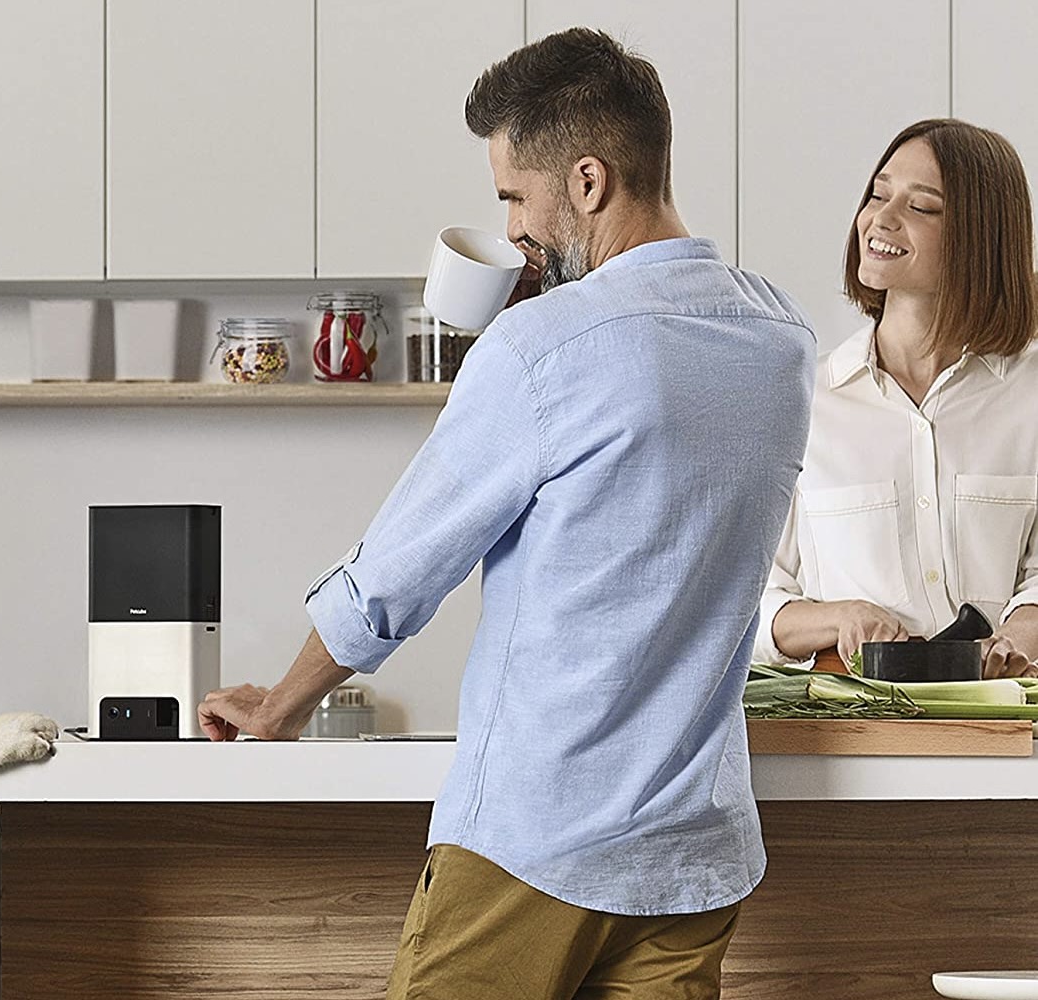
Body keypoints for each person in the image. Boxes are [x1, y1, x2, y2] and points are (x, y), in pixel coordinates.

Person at [198, 28, 815, 999]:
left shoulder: (541, 349)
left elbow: (395, 574)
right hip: (695, 853)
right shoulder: (782, 340)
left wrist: (279, 708)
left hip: (538, 841)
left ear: (588, 181)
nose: (513, 230)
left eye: (515, 199)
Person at [755, 119, 1038, 678]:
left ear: (980, 236)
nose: (880, 220)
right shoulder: (805, 401)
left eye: (921, 207)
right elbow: (749, 598)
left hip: (1006, 735)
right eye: (879, 195)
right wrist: (839, 618)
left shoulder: (1030, 395)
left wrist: (1022, 629)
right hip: (851, 739)